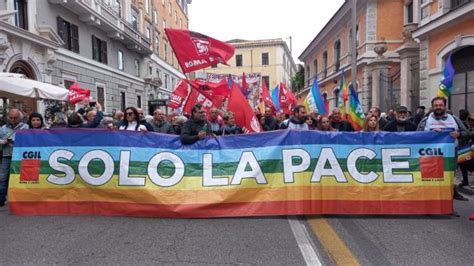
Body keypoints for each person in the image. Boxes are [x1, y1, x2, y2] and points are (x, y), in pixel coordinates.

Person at [417, 96, 470, 201]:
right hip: (430, 154)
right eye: (436, 105)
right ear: (432, 107)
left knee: (449, 175)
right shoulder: (426, 120)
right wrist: (430, 134)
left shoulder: (454, 119)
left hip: (450, 154)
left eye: (440, 105)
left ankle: (451, 195)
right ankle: (431, 199)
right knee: (432, 177)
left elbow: (466, 133)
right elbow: (417, 135)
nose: (438, 107)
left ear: (445, 106)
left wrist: (458, 134)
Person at [0, 109, 29, 207]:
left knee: (20, 177)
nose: (13, 119)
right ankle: (1, 198)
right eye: (11, 117)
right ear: (8, 117)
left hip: (20, 156)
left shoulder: (25, 127)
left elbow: (28, 140)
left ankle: (20, 197)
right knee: (3, 177)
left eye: (15, 118)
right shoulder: (3, 128)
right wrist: (2, 141)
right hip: (7, 155)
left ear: (19, 117)